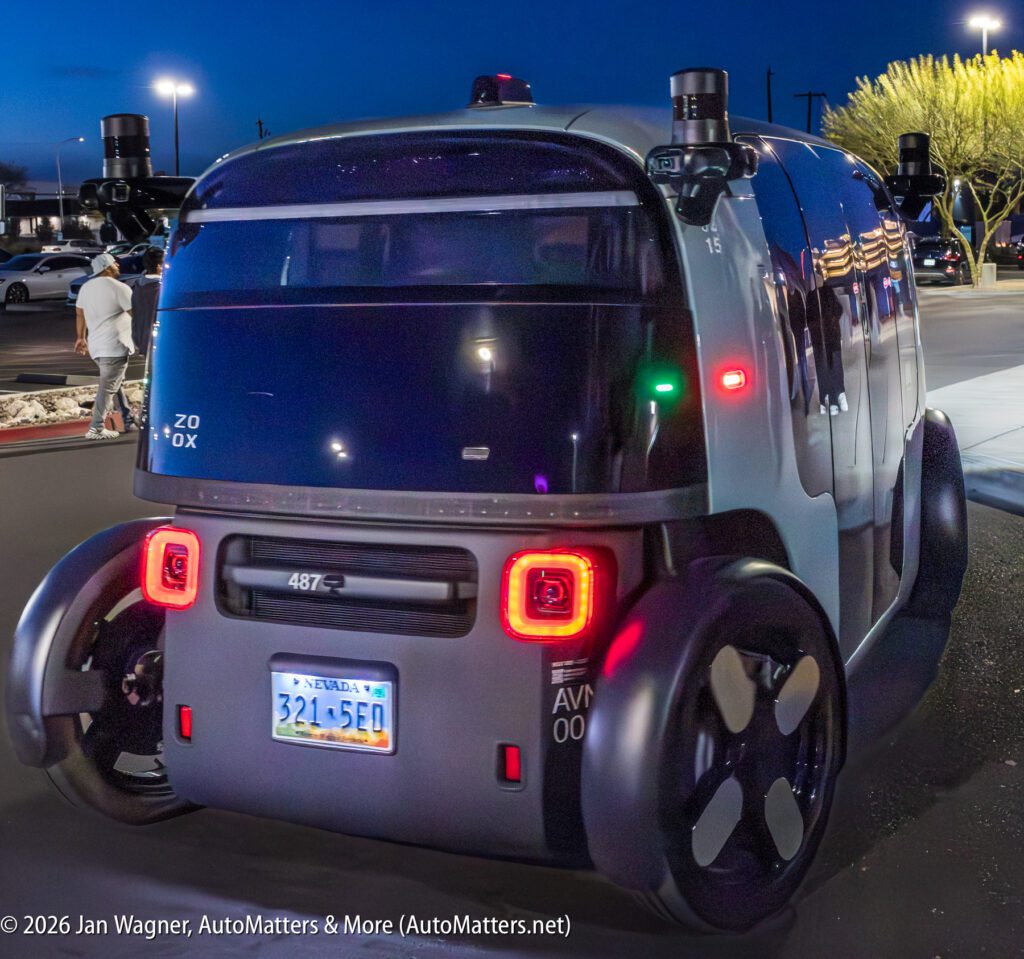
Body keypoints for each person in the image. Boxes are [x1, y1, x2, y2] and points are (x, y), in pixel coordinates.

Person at [75, 252, 136, 440]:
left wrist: (81, 338)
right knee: (108, 387)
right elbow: (136, 314)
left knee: (114, 383)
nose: (118, 266)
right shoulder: (120, 288)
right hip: (115, 346)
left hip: (96, 347)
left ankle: (127, 418)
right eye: (115, 264)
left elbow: (79, 313)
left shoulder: (86, 288)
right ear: (107, 268)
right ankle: (96, 428)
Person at [130, 247, 164, 356]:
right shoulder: (161, 289)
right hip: (161, 345)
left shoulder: (137, 287)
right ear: (159, 266)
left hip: (141, 341)